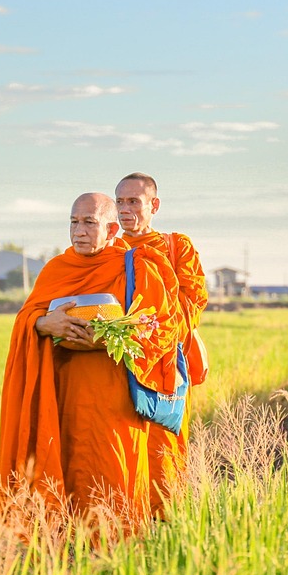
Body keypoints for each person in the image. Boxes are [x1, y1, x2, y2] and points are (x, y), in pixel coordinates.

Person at [0, 192, 183, 536]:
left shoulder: (140, 266)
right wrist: (42, 323)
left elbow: (161, 327)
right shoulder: (56, 269)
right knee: (63, 471)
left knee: (112, 473)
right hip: (62, 397)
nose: (78, 231)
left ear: (112, 228)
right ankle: (62, 550)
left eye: (89, 223)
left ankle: (117, 553)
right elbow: (29, 315)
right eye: (73, 222)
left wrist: (109, 338)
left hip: (116, 400)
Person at [114, 172, 208, 515]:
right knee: (120, 449)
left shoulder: (175, 246)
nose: (125, 209)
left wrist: (145, 334)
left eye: (133, 201)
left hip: (163, 367)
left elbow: (191, 305)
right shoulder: (108, 248)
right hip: (113, 365)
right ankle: (122, 521)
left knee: (163, 451)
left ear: (153, 205)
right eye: (120, 202)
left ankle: (164, 522)